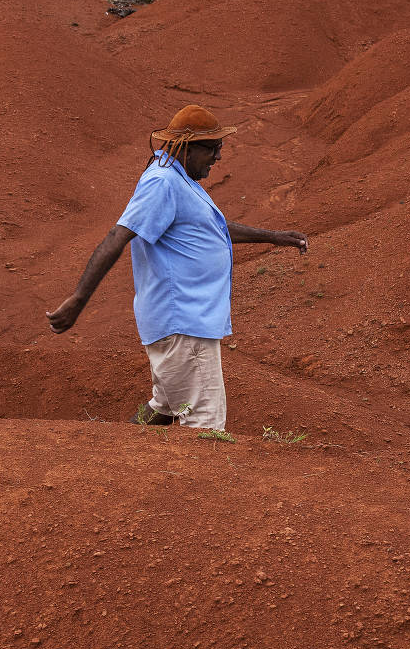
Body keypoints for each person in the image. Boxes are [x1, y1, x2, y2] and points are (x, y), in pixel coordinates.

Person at [45, 105, 307, 430]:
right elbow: (117, 236)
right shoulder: (162, 183)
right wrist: (78, 300)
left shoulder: (180, 180)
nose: (218, 157)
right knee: (205, 424)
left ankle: (114, 443)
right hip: (184, 324)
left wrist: (275, 238)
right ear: (186, 146)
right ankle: (192, 480)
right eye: (212, 149)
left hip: (183, 321)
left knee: (165, 406)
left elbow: (213, 229)